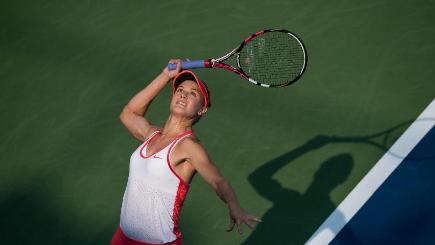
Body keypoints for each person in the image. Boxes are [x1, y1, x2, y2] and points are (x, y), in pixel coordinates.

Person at [110, 59, 261, 245]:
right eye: (180, 90)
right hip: (123, 238)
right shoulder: (151, 135)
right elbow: (128, 114)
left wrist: (234, 205)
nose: (183, 95)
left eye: (193, 94)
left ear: (202, 110)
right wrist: (165, 75)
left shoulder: (188, 147)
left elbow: (217, 180)